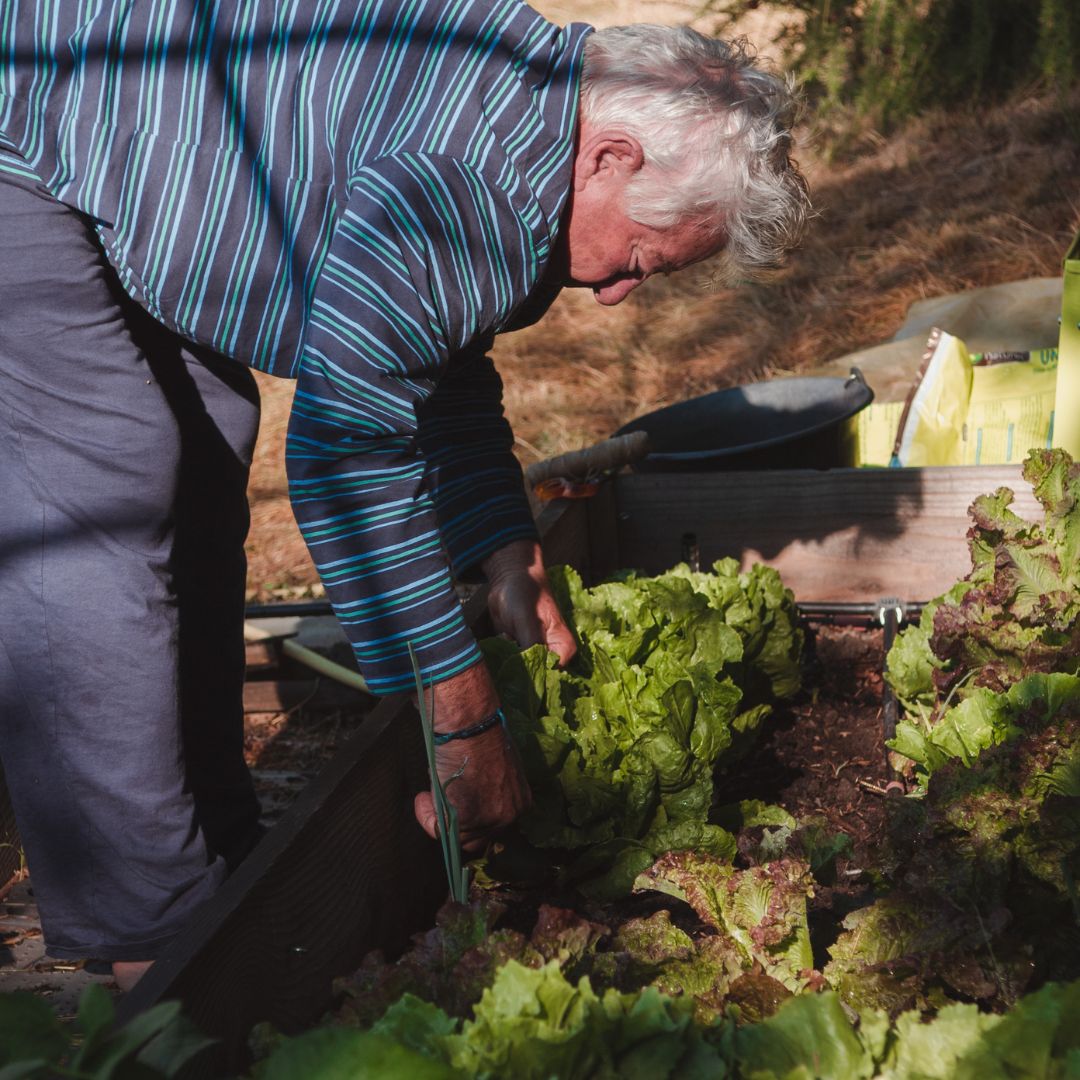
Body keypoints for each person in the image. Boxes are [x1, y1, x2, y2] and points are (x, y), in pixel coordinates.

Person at [0, 2, 809, 989]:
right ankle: (150, 942)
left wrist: (506, 545)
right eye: (643, 258)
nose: (617, 295)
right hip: (30, 116)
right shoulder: (481, 181)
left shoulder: (534, 114)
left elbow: (433, 351)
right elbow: (344, 449)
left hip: (115, 102)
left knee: (209, 427)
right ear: (611, 159)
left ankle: (217, 851)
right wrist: (456, 708)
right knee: (108, 489)